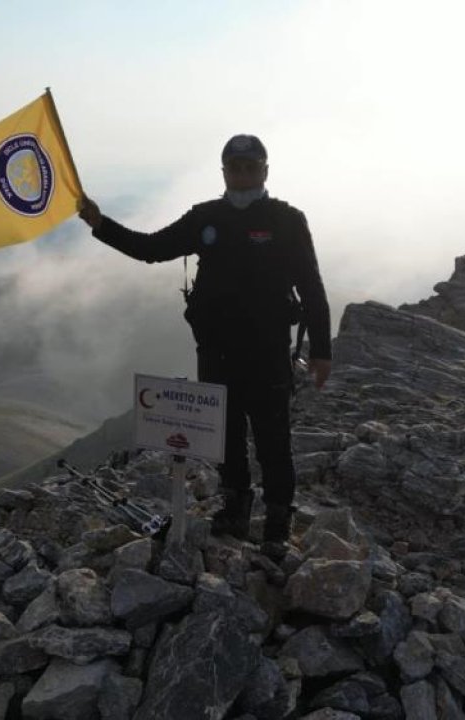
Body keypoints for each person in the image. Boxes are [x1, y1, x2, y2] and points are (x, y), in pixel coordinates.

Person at [77, 134, 332, 555]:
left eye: (252, 167)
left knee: (273, 438)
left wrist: (322, 351)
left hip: (268, 350)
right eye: (236, 167)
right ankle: (235, 509)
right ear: (225, 172)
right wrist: (100, 225)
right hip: (216, 349)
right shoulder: (205, 218)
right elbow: (152, 249)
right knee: (226, 436)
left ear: (265, 170)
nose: (244, 174)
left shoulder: (288, 220)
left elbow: (312, 287)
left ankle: (277, 522)